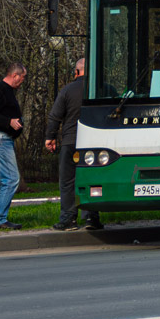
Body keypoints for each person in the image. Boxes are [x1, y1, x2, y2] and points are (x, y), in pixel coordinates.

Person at [46, 58, 101, 231]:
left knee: (68, 180)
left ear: (76, 72)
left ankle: (69, 218)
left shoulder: (67, 90)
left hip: (71, 140)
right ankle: (91, 217)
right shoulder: (102, 89)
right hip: (95, 143)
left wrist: (50, 137)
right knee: (92, 179)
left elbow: (55, 116)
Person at [0, 62, 26, 230]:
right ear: (15, 75)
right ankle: (0, 218)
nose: (22, 81)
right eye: (22, 78)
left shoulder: (8, 91)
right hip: (2, 139)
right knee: (12, 179)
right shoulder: (1, 90)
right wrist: (9, 121)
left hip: (5, 139)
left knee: (5, 180)